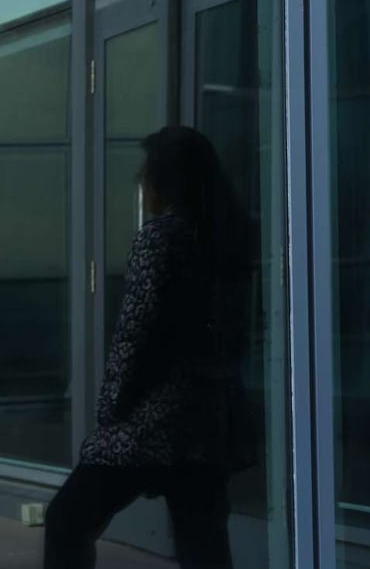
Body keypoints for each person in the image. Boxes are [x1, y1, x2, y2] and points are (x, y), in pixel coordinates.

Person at [44, 126, 257, 569]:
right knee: (202, 541)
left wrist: (111, 411)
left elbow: (135, 334)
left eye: (148, 171)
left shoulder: (158, 239)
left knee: (68, 518)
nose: (142, 180)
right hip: (210, 419)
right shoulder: (232, 240)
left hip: (154, 417)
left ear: (166, 179)